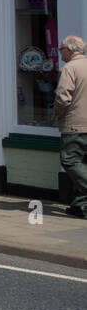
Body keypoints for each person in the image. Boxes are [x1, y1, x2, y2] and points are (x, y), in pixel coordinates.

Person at [54, 36, 87, 218]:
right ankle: (80, 205)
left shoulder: (70, 68)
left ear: (70, 50)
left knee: (70, 160)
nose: (60, 53)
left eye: (61, 49)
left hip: (75, 124)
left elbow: (63, 98)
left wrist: (57, 114)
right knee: (84, 163)